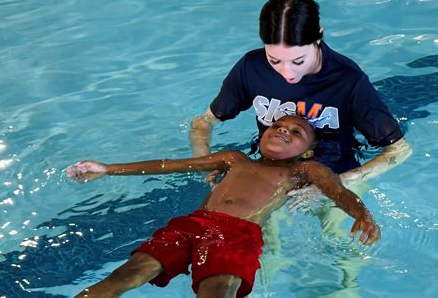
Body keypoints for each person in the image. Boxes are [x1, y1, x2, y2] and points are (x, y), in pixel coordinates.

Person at [67, 115, 380, 298]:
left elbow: (339, 193)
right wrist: (107, 168)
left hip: (237, 235)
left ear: (309, 151)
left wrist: (362, 215)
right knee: (123, 277)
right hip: (191, 225)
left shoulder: (304, 171)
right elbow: (171, 165)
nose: (283, 130)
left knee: (216, 294)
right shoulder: (234, 158)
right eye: (277, 125)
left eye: (296, 132)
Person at [189, 0, 412, 193]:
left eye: (298, 61)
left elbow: (398, 151)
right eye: (274, 60)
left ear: (318, 37)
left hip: (336, 171)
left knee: (338, 233)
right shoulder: (251, 68)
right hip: (269, 169)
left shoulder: (347, 81)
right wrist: (205, 161)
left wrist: (337, 183)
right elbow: (203, 123)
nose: (287, 73)